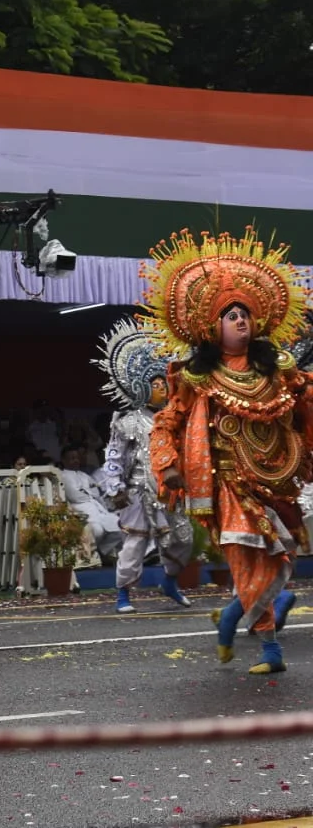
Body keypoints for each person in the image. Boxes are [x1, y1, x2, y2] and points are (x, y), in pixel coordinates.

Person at [145, 227, 313, 674]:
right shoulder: (195, 379)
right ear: (211, 325)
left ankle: (238, 614)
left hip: (277, 482)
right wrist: (170, 467)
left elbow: (304, 413)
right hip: (228, 485)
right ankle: (270, 651)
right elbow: (165, 426)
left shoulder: (280, 372)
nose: (241, 320)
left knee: (278, 557)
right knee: (245, 556)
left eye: (245, 314)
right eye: (231, 314)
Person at [93, 318, 193, 613]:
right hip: (138, 493)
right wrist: (115, 488)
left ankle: (170, 582)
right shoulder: (127, 422)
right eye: (156, 384)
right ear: (141, 388)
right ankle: (123, 594)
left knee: (182, 541)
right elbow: (113, 457)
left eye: (164, 383)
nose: (162, 388)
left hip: (170, 493)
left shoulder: (175, 419)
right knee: (134, 546)